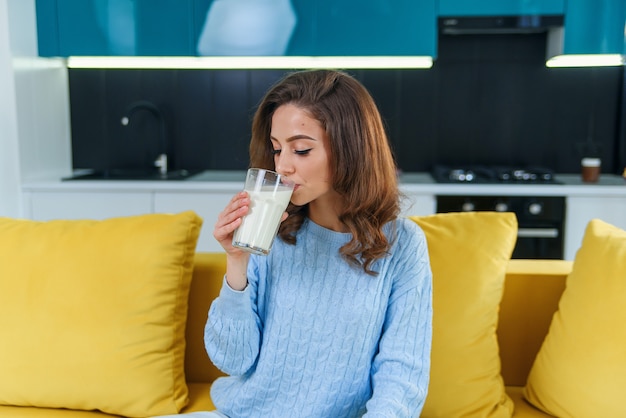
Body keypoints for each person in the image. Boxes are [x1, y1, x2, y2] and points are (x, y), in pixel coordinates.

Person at [158, 69, 433, 417]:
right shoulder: (268, 228)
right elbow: (233, 361)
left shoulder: (403, 245)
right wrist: (236, 262)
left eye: (301, 150)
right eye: (276, 149)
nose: (283, 165)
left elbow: (401, 379)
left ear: (352, 149)